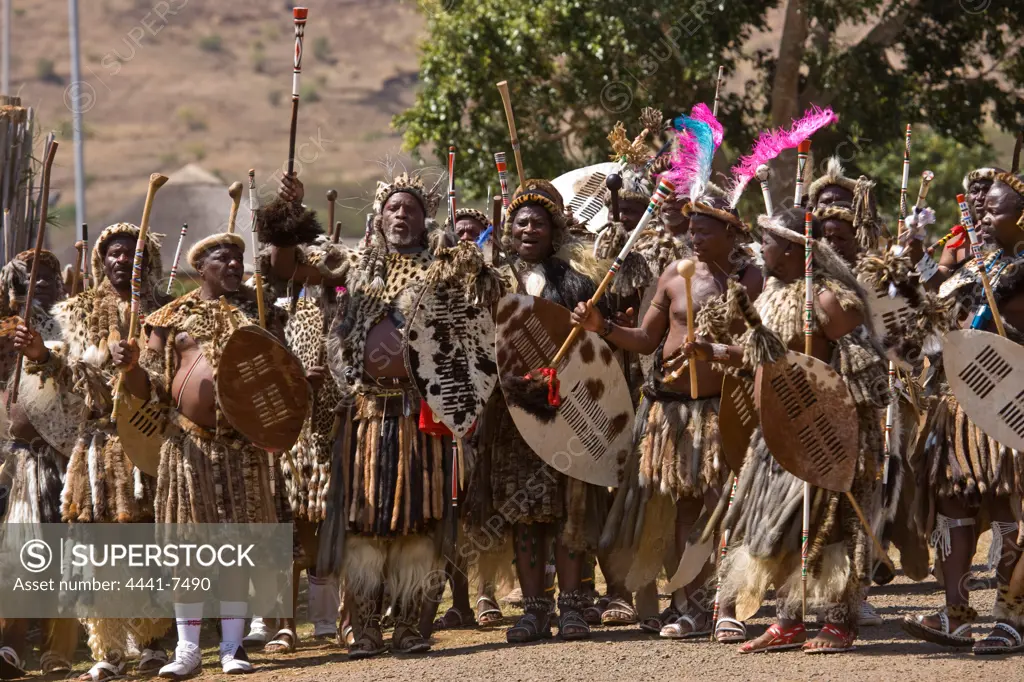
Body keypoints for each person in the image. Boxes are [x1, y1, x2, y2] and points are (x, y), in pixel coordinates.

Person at [268, 170, 501, 659]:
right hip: (365, 414)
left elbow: (486, 313)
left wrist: (475, 267)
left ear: (425, 219)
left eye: (411, 208)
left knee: (423, 517)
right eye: (393, 208)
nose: (401, 215)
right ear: (378, 216)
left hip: (424, 413)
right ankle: (367, 628)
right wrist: (288, 214)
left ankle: (415, 628)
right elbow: (284, 267)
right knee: (365, 521)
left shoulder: (444, 268)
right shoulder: (352, 265)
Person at [573, 195, 762, 639]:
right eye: (692, 229)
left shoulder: (750, 279)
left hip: (724, 409)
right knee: (686, 509)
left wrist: (717, 352)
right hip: (672, 412)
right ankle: (692, 607)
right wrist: (602, 327)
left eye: (705, 230)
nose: (694, 237)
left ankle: (727, 605)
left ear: (731, 234)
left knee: (722, 507)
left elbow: (762, 344)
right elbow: (643, 339)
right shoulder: (675, 275)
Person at [111, 231, 294, 676]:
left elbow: (280, 373)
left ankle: (233, 648)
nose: (234, 265)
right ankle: (188, 650)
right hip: (187, 446)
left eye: (238, 258)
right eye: (223, 258)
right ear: (200, 267)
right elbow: (148, 388)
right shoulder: (170, 318)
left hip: (241, 447)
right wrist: (130, 365)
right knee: (188, 549)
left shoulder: (257, 310)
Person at [708, 209, 887, 653]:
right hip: (777, 432)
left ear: (791, 247)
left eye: (766, 241)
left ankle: (840, 622)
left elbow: (867, 374)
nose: (758, 249)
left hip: (826, 436)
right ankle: (788, 620)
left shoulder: (828, 301)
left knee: (832, 527)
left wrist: (834, 427)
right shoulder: (770, 296)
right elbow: (761, 359)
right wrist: (710, 349)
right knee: (781, 524)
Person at [13, 223, 171, 681]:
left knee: (149, 544)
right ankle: (109, 650)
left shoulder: (163, 311)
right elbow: (69, 376)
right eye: (115, 254)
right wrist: (44, 356)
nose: (123, 261)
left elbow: (170, 381)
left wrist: (139, 367)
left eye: (133, 254)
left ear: (149, 262)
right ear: (102, 262)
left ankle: (152, 644)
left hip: (150, 440)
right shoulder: (77, 312)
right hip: (99, 444)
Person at [464, 179, 606, 644]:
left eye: (539, 222)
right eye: (521, 221)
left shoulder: (577, 283)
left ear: (555, 230)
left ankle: (571, 609)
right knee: (525, 514)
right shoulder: (493, 281)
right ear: (511, 229)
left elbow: (593, 351)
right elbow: (476, 343)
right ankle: (533, 610)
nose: (529, 229)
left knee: (567, 512)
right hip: (512, 415)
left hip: (565, 411)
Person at [901, 172, 1024, 653]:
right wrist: (918, 263)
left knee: (1008, 505)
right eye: (982, 208)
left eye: (994, 210)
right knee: (954, 504)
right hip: (957, 408)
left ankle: (1009, 614)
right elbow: (938, 313)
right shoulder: (974, 266)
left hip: (1008, 404)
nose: (982, 216)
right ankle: (955, 615)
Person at [0, 250, 78, 679]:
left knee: (64, 554)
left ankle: (58, 651)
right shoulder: (4, 330)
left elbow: (78, 381)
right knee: (19, 556)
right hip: (18, 462)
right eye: (28, 279)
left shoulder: (71, 326)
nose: (38, 283)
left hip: (65, 457)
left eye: (47, 276)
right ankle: (11, 648)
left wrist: (42, 353)